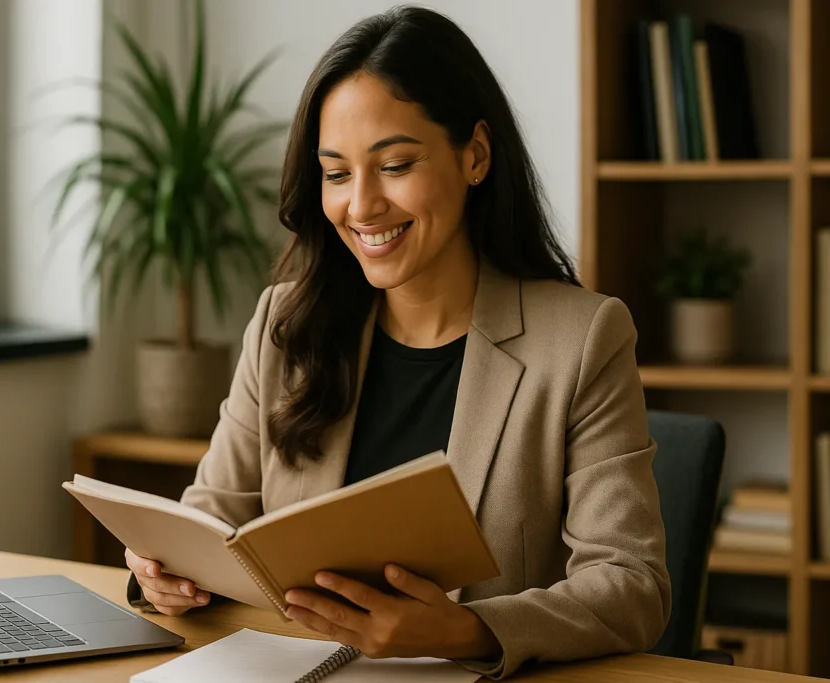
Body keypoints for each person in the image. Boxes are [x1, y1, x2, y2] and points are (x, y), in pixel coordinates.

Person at [125, 5, 671, 679]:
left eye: (395, 164)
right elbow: (214, 517)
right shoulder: (285, 324)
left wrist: (469, 630)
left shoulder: (583, 339)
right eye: (336, 172)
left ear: (475, 155)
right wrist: (163, 571)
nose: (361, 206)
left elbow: (632, 584)